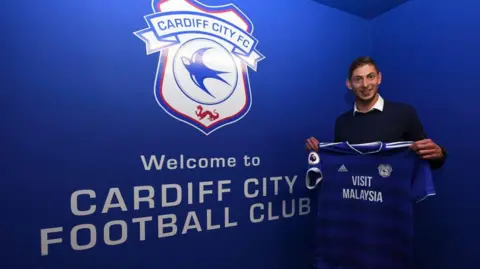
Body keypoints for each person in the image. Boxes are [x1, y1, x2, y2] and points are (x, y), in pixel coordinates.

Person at [305, 56, 446, 169]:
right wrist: (319, 153)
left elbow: (429, 159)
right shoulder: (342, 122)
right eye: (358, 79)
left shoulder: (404, 113)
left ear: (379, 78)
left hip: (394, 201)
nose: (365, 85)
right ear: (349, 84)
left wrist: (439, 154)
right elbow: (340, 165)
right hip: (355, 200)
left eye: (370, 77)